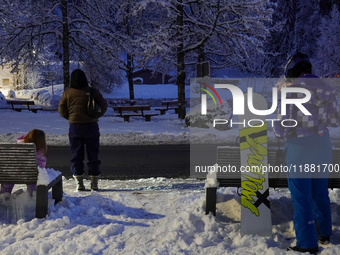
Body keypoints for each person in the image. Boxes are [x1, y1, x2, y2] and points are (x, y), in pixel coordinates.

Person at [273, 53, 340, 254]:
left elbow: (280, 129)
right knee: (320, 193)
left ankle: (306, 243)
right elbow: (335, 122)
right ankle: (324, 233)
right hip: (322, 146)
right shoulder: (328, 90)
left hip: (299, 149)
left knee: (302, 197)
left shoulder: (290, 92)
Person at [58, 69, 107, 191]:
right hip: (91, 126)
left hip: (75, 127)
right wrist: (95, 116)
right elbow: (104, 105)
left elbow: (61, 110)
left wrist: (71, 118)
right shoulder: (93, 91)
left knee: (76, 155)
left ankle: (79, 183)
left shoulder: (67, 93)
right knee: (93, 154)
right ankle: (94, 183)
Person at [0, 129, 47, 196]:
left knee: (8, 179)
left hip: (9, 174)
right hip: (29, 176)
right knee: (34, 178)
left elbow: (9, 160)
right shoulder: (39, 152)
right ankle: (32, 196)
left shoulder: (17, 147)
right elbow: (41, 166)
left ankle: (4, 196)